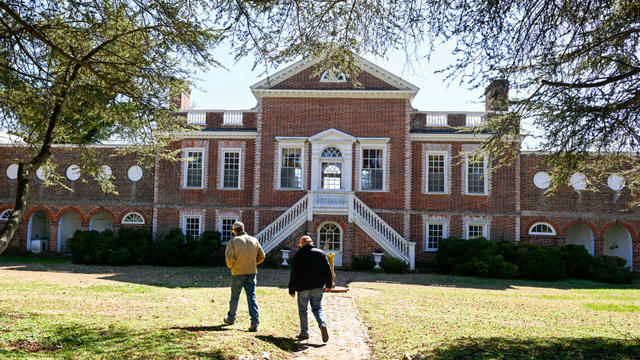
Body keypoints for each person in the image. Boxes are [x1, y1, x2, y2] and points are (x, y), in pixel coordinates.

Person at [288, 235, 333, 342]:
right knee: (317, 308)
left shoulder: (298, 255)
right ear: (311, 242)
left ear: (301, 244)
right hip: (318, 286)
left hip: (303, 287)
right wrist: (329, 285)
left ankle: (304, 332)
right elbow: (328, 270)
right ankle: (322, 323)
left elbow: (294, 274)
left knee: (303, 310)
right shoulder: (320, 253)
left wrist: (292, 289)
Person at [224, 221, 265, 332]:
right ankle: (255, 322)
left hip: (238, 273)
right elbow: (262, 256)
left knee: (235, 297)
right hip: (251, 272)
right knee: (251, 297)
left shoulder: (233, 241)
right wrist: (252, 263)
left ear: (234, 230)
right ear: (243, 228)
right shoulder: (254, 240)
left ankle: (231, 318)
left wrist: (233, 266)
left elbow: (229, 259)